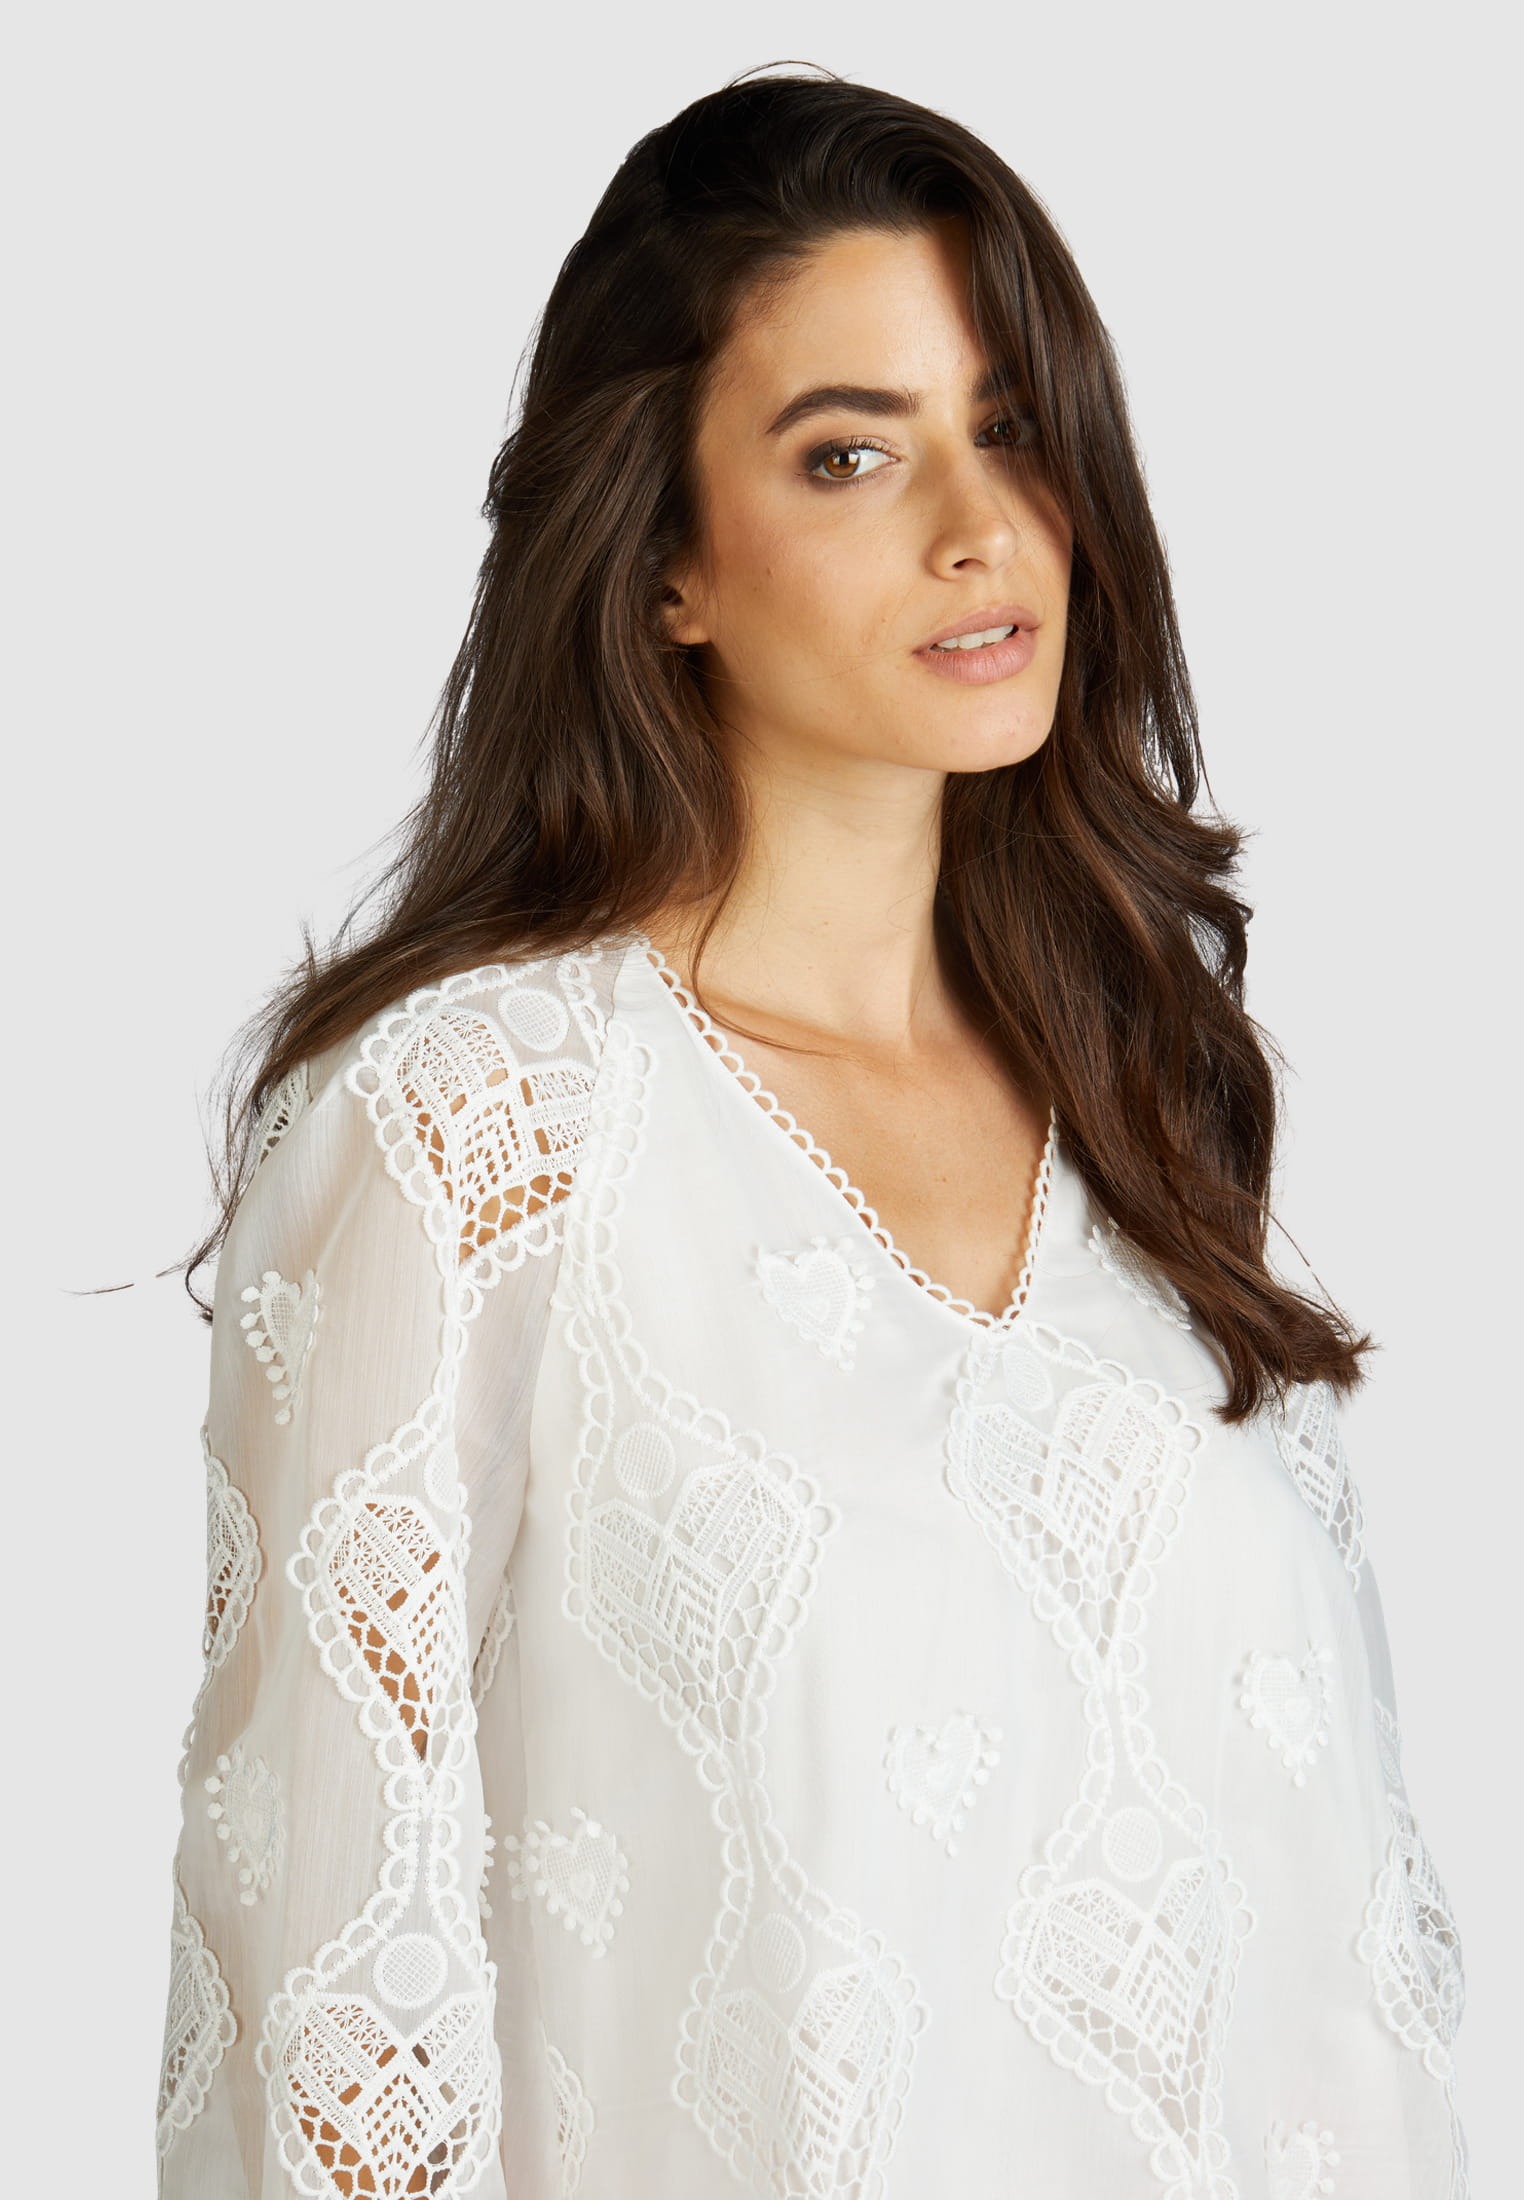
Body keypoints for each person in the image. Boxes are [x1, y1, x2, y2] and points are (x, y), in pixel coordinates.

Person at [155, 66, 1469, 2200]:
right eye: (849, 452)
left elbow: (1329, 1974)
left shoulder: (1136, 1088)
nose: (977, 525)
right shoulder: (478, 1127)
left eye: (1012, 425)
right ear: (667, 558)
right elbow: (334, 2000)